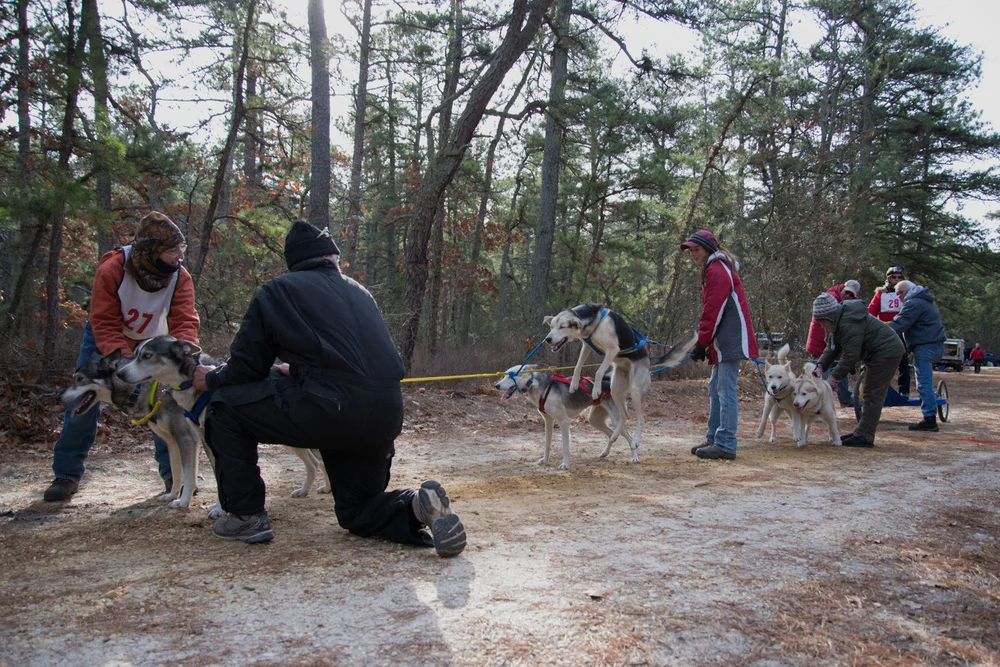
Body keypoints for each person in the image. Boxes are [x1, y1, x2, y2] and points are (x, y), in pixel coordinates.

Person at [192, 220, 466, 557]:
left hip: (329, 409)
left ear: (293, 264)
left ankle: (245, 515)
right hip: (385, 414)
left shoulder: (277, 291)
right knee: (356, 510)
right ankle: (417, 507)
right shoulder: (361, 293)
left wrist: (211, 378)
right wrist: (301, 369)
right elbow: (363, 361)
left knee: (223, 406)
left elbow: (248, 366)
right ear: (332, 257)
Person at [44, 212, 200, 501]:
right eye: (172, 251)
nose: (180, 256)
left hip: (153, 343)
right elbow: (103, 321)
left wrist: (184, 356)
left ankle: (173, 477)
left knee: (164, 404)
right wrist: (125, 362)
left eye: (182, 249)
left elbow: (185, 321)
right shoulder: (113, 268)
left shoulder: (181, 277)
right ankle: (66, 474)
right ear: (150, 251)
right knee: (84, 399)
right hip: (106, 339)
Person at [680, 229, 758, 461]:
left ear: (708, 249)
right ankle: (714, 437)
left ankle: (725, 443)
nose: (693, 254)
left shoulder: (717, 270)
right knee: (715, 388)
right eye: (691, 251)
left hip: (730, 338)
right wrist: (705, 343)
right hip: (722, 339)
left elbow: (713, 310)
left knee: (726, 390)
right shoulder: (715, 269)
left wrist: (702, 342)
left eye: (696, 249)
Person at [813, 293, 904, 447]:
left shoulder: (848, 323)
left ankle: (865, 435)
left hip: (887, 352)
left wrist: (833, 380)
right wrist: (819, 367)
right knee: (870, 392)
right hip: (877, 353)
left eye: (822, 322)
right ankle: (861, 432)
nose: (822, 326)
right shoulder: (839, 322)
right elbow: (832, 348)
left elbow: (850, 356)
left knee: (872, 393)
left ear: (829, 317)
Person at [888, 280, 947, 432]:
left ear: (909, 290)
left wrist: (879, 333)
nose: (899, 296)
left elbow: (900, 323)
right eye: (897, 294)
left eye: (900, 293)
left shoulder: (914, 303)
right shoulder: (925, 300)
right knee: (924, 381)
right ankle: (929, 414)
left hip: (925, 346)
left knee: (923, 383)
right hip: (935, 345)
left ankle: (929, 419)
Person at [806, 279, 862, 406]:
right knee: (820, 376)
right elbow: (826, 328)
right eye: (847, 292)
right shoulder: (829, 300)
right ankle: (818, 403)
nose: (848, 296)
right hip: (820, 344)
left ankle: (845, 399)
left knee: (841, 370)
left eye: (852, 295)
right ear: (842, 288)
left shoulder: (851, 304)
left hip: (836, 344)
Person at [868, 266, 910, 398]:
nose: (896, 279)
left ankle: (904, 391)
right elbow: (871, 311)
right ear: (888, 279)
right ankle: (881, 389)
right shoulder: (880, 294)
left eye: (899, 277)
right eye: (894, 277)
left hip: (901, 331)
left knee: (903, 361)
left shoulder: (907, 293)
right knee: (882, 361)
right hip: (884, 331)